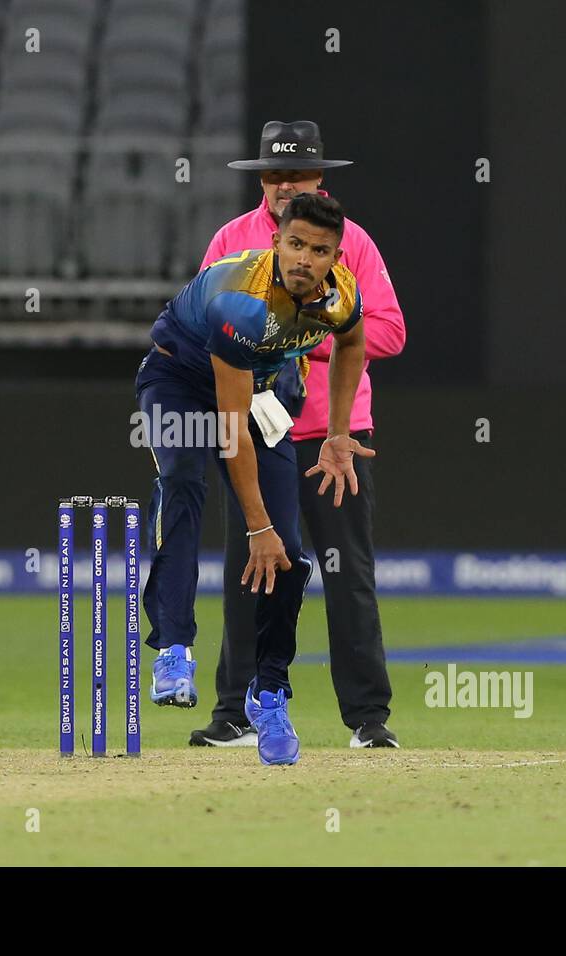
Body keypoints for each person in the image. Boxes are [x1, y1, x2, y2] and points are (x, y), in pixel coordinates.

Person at [136, 192, 374, 765]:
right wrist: (255, 524)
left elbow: (353, 344)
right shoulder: (240, 304)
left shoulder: (340, 294)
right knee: (185, 480)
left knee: (286, 555)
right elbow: (230, 431)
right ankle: (173, 645)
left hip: (259, 390)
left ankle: (268, 695)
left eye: (319, 251)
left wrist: (338, 433)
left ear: (334, 256)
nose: (304, 260)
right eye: (295, 244)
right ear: (276, 242)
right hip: (179, 381)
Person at [192, 120, 407, 749]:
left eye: (299, 175)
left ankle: (368, 719)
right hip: (259, 432)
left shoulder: (353, 244)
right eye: (276, 175)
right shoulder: (232, 240)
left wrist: (302, 334)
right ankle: (234, 711)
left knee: (348, 576)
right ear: (262, 179)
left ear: (320, 179)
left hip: (333, 439)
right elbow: (208, 329)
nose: (286, 186)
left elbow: (388, 332)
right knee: (249, 571)